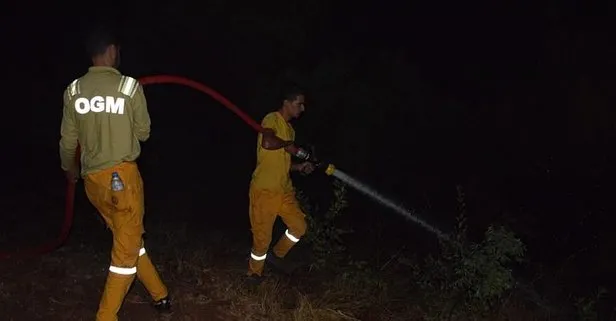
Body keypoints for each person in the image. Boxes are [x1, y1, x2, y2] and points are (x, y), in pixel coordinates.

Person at [58, 28, 171, 321]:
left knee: (130, 239)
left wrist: (70, 171)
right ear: (110, 51)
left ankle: (160, 296)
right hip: (123, 181)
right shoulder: (129, 87)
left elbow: (68, 143)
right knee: (124, 257)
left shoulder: (73, 91)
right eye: (117, 50)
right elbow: (144, 133)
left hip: (93, 184)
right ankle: (106, 316)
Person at [246, 87, 316, 284]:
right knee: (261, 239)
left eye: (303, 105)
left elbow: (283, 163)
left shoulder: (290, 130)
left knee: (299, 227)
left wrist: (300, 166)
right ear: (287, 102)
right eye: (298, 104)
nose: (302, 108)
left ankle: (276, 256)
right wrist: (289, 146)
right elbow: (267, 143)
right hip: (264, 190)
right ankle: (254, 274)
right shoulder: (272, 119)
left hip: (284, 190)